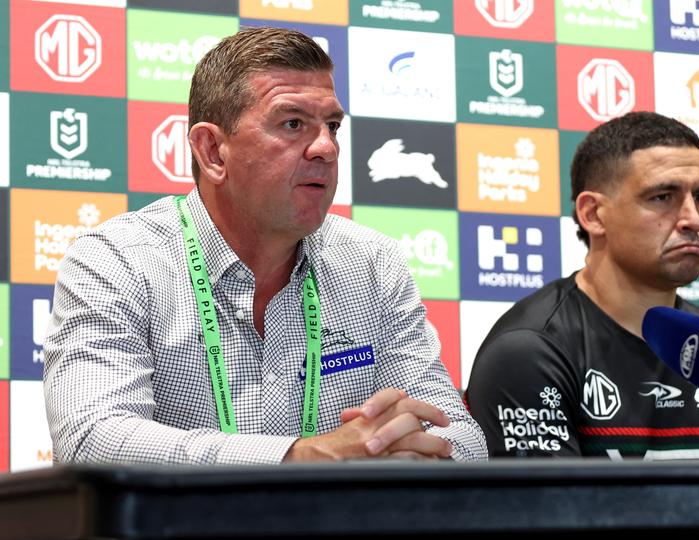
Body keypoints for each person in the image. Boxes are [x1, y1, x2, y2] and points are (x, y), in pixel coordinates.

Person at [43, 27, 487, 464]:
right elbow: (92, 439)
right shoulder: (116, 260)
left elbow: (461, 436)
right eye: (293, 124)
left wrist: (415, 458)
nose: (326, 148)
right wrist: (298, 459)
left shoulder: (373, 264)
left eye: (332, 125)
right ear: (213, 151)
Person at [465, 111, 699, 459]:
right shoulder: (528, 352)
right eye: (662, 197)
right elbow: (553, 510)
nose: (691, 219)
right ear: (593, 215)